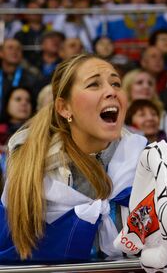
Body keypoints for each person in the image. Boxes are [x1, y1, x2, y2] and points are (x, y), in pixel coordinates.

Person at [0, 54, 148, 261]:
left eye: (116, 83)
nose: (111, 91)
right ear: (64, 107)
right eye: (94, 84)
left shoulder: (147, 159)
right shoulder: (32, 166)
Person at [122, 68, 167, 147]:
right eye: (139, 83)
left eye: (150, 83)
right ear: (128, 88)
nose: (146, 86)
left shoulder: (166, 117)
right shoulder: (119, 116)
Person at [125, 99, 167, 168]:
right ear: (130, 122)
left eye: (154, 114)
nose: (150, 118)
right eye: (142, 115)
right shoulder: (126, 154)